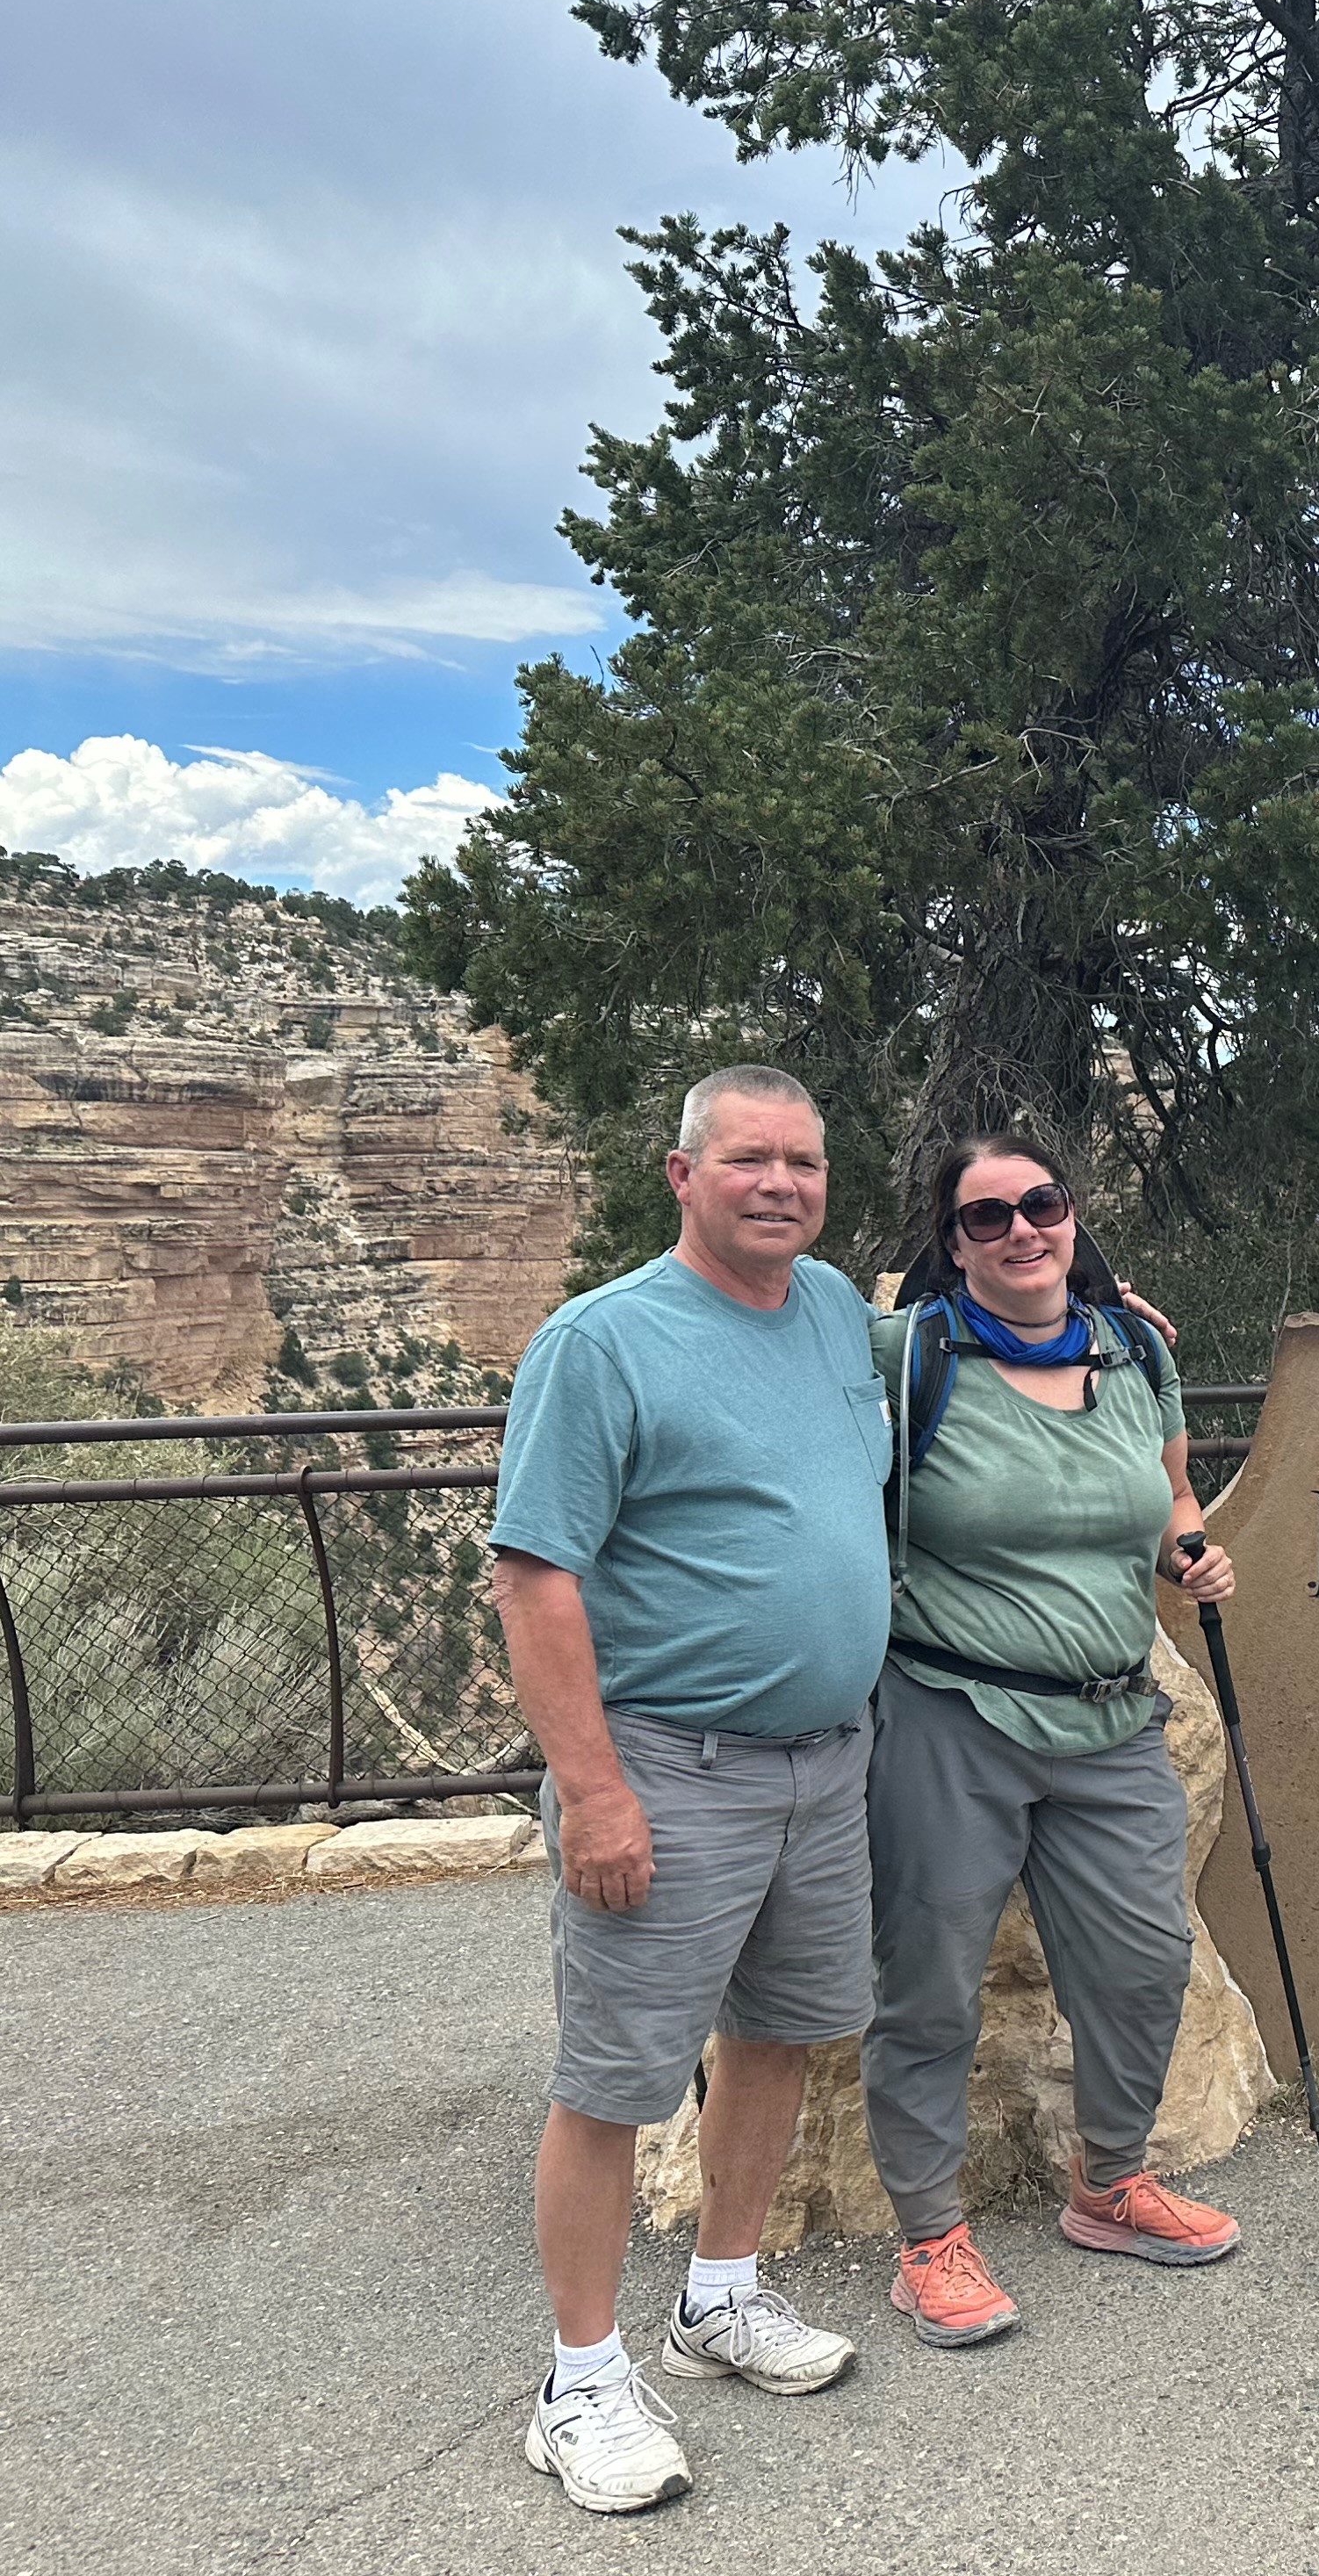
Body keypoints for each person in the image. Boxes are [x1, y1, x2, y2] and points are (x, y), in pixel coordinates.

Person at [487, 1066, 893, 2515]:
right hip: (672, 1766)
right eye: (749, 1161)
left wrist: (1106, 1318)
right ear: (683, 1174)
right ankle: (578, 2383)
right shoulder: (604, 1343)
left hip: (827, 1763)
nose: (780, 1183)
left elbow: (966, 1352)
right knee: (611, 2081)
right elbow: (535, 1574)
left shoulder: (839, 1310)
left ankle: (720, 2296)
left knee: (780, 2035)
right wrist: (591, 1792)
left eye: (804, 1160)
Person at [856, 1129, 1242, 2349]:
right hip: (947, 1713)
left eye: (1043, 1204)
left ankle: (1111, 2182)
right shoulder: (904, 1355)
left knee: (1140, 1963)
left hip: (1113, 1717)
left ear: (1074, 1213)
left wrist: (1191, 1546)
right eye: (986, 1218)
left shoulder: (1132, 1351)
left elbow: (1170, 1491)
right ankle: (929, 2238)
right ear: (950, 1241)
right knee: (928, 1986)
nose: (1022, 1230)